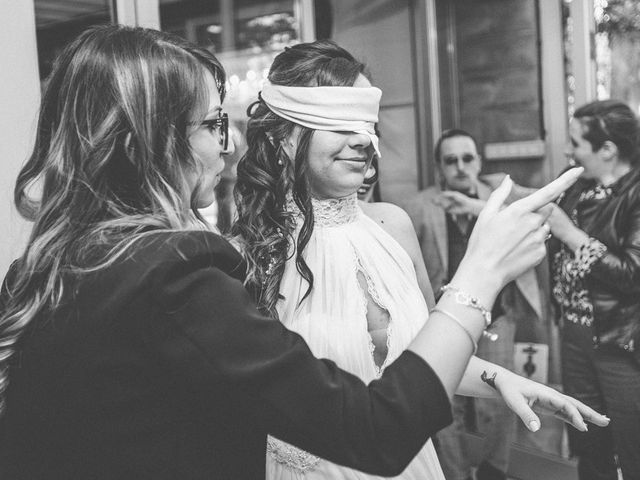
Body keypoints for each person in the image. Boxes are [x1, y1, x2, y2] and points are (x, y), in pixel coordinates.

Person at [0, 25, 604, 480]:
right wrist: (480, 274)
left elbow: (407, 356)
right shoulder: (193, 268)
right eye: (213, 125)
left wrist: (498, 378)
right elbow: (366, 424)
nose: (227, 145)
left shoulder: (49, 269)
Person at [231, 40, 600, 480]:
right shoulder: (249, 254)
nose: (363, 140)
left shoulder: (393, 226)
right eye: (342, 122)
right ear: (285, 136)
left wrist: (499, 379)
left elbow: (423, 354)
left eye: (368, 123)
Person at [405, 129, 545, 480]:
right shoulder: (420, 207)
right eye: (451, 160)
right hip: (441, 322)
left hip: (496, 319)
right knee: (443, 401)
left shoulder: (499, 200)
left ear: (479, 162)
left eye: (468, 158)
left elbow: (542, 221)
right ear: (439, 168)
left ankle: (494, 471)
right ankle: (454, 473)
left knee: (500, 398)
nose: (461, 167)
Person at [547, 99, 640, 480]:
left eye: (575, 142)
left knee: (633, 446)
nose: (568, 150)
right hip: (574, 334)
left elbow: (633, 273)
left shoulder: (635, 194)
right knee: (587, 441)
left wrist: (569, 234)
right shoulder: (578, 183)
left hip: (619, 340)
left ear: (607, 150)